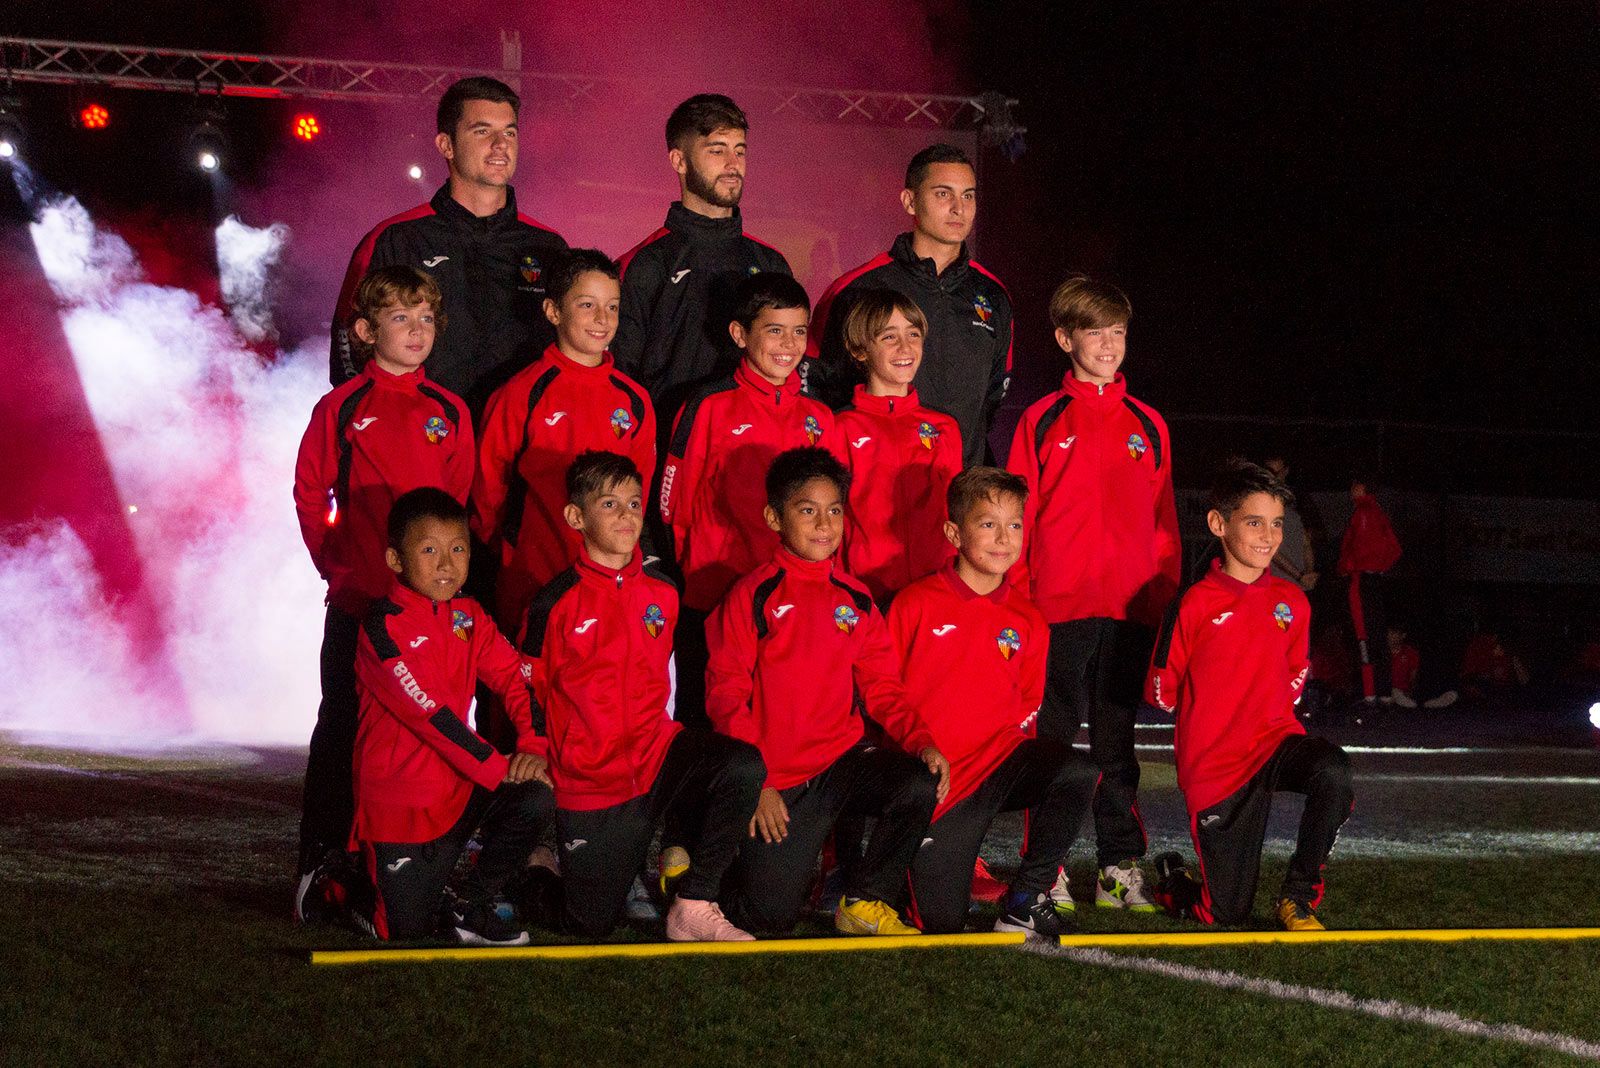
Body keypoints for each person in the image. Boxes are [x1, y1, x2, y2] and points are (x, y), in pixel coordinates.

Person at [520, 452, 765, 940]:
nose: (627, 515)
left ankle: (693, 903)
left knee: (741, 764)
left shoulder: (664, 592)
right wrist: (533, 746)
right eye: (609, 504)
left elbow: (669, 682)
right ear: (576, 517)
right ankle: (532, 870)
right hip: (593, 778)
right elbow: (527, 686)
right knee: (588, 925)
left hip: (655, 754)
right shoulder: (554, 602)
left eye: (633, 503)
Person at [291, 265, 473, 919]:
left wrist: (448, 589)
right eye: (400, 318)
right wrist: (333, 565)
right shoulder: (341, 407)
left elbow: (461, 508)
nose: (416, 330)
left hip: (429, 618)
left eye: (426, 318)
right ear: (367, 331)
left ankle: (421, 866)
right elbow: (311, 493)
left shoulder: (449, 411)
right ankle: (321, 863)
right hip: (360, 605)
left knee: (434, 734)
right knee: (341, 731)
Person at [707, 448, 941, 936]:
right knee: (768, 919)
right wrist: (758, 782)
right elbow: (726, 694)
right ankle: (703, 863)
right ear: (774, 517)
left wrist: (921, 740)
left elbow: (882, 688)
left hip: (841, 765)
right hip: (779, 780)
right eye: (807, 510)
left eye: (834, 510)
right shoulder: (753, 594)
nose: (824, 524)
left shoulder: (855, 599)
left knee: (918, 780)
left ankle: (865, 901)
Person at [1004, 275, 1180, 912]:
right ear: (1063, 338)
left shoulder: (1149, 424)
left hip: (1129, 613)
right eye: (1094, 331)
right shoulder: (1042, 418)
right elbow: (1017, 517)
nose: (1109, 344)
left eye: (1118, 331)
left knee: (1117, 745)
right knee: (1050, 742)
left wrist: (1160, 603)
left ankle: (1117, 869)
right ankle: (1045, 869)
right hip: (1056, 608)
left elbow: (1163, 524)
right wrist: (1020, 599)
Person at [886, 468, 1099, 939]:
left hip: (998, 764)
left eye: (1015, 525)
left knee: (1077, 772)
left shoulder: (1028, 618)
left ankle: (1026, 898)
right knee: (941, 924)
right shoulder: (913, 604)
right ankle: (907, 863)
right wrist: (918, 765)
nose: (1004, 538)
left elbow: (1027, 701)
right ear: (953, 532)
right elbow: (885, 693)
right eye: (988, 524)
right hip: (939, 782)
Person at [1147, 461, 1353, 931]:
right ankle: (1174, 880)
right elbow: (1162, 690)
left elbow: (1297, 670)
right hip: (1217, 765)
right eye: (1254, 522)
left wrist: (1267, 706)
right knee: (1225, 915)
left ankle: (1297, 899)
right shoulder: (1193, 602)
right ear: (1219, 524)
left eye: (1276, 523)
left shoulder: (1292, 602)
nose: (1268, 536)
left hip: (1274, 742)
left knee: (1333, 772)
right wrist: (1215, 715)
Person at [345, 488, 555, 944]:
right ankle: (345, 886)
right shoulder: (381, 626)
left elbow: (515, 680)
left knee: (535, 793)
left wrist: (533, 749)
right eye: (428, 550)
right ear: (395, 560)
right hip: (400, 808)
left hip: (459, 791)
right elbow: (432, 717)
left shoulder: (469, 615)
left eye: (457, 549)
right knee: (404, 934)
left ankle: (471, 906)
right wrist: (502, 769)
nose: (446, 564)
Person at [659, 272, 841, 728]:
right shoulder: (709, 405)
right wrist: (698, 572)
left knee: (782, 719)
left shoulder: (819, 417)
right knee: (713, 723)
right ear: (740, 335)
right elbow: (672, 504)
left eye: (799, 331)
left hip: (793, 598)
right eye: (774, 330)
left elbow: (835, 507)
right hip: (716, 594)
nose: (789, 344)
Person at [330, 77, 569, 415]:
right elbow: (348, 351)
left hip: (520, 450)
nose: (501, 145)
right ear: (446, 145)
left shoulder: (549, 247)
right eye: (483, 131)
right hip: (424, 445)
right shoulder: (396, 238)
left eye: (510, 132)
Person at [472, 249, 655, 636]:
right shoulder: (522, 393)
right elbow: (488, 491)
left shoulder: (633, 399)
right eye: (587, 305)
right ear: (553, 311)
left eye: (612, 307)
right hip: (533, 576)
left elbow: (641, 490)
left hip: (610, 581)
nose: (602, 319)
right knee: (524, 691)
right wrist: (508, 554)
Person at [807, 143, 1012, 467]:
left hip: (961, 492)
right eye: (944, 194)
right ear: (910, 201)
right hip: (873, 490)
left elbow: (993, 396)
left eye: (968, 195)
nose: (959, 208)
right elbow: (818, 389)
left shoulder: (993, 295)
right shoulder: (856, 289)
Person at [613, 93, 792, 423]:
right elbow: (619, 378)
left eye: (740, 150)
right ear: (679, 161)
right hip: (669, 447)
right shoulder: (643, 264)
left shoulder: (770, 263)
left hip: (754, 449)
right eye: (717, 150)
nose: (732, 163)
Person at [832, 290, 963, 607]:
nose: (906, 348)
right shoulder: (840, 427)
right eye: (889, 337)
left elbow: (958, 513)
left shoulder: (944, 428)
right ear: (860, 350)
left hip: (935, 591)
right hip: (864, 591)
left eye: (913, 335)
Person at [1337, 475, 1402, 705]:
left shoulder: (1363, 514)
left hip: (1362, 581)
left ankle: (1370, 695)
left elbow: (1354, 549)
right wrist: (1381, 568)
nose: (1351, 489)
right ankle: (1383, 693)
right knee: (1377, 636)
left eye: (1355, 485)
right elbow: (1394, 548)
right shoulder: (1377, 513)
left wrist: (1351, 567)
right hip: (1374, 580)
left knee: (1364, 635)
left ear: (1363, 488)